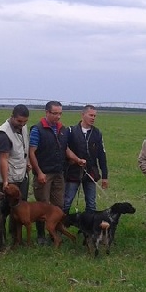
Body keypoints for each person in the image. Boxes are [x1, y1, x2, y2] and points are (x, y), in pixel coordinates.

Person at [29, 101, 85, 243]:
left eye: (60, 113)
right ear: (46, 112)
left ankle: (54, 234)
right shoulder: (37, 129)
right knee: (42, 205)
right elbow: (32, 153)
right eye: (55, 113)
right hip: (44, 174)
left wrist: (77, 159)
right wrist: (39, 172)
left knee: (58, 206)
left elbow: (65, 149)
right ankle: (41, 236)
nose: (58, 116)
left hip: (59, 173)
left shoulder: (62, 129)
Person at [64, 104, 108, 213]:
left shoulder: (97, 133)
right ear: (83, 115)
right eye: (91, 115)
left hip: (91, 172)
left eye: (95, 116)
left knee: (91, 203)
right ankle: (61, 226)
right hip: (73, 172)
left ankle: (89, 228)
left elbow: (102, 155)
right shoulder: (70, 131)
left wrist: (105, 176)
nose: (93, 118)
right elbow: (64, 150)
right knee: (67, 201)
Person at [0, 105, 30, 239]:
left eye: (24, 122)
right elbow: (3, 158)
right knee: (4, 209)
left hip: (22, 174)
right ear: (12, 116)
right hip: (9, 178)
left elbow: (23, 148)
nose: (22, 124)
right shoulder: (4, 133)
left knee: (20, 206)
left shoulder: (23, 127)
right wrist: (5, 182)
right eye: (19, 121)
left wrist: (27, 164)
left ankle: (15, 235)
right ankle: (0, 238)